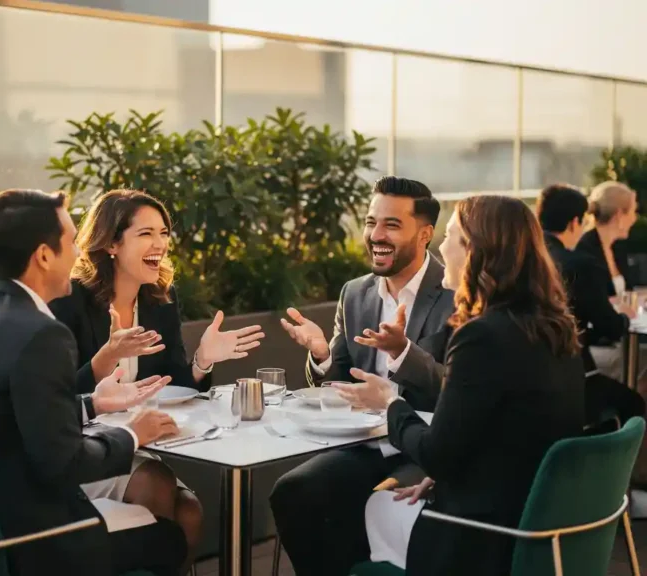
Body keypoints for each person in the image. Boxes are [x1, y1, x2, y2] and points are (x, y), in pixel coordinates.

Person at [0, 189, 186, 576]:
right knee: (171, 537)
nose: (81, 255)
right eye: (70, 243)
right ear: (44, 256)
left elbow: (9, 414)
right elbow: (63, 464)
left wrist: (92, 404)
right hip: (25, 538)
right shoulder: (41, 334)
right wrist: (133, 434)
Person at [338, 195, 585, 576]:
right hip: (541, 525)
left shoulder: (481, 337)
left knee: (373, 510)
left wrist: (389, 403)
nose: (440, 247)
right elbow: (518, 429)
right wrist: (442, 478)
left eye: (450, 236)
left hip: (481, 537)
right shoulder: (555, 328)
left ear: (475, 250)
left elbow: (435, 453)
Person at [49, 189, 265, 571]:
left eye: (164, 233)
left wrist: (203, 359)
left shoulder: (159, 300)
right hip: (85, 446)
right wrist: (104, 359)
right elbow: (57, 396)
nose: (161, 244)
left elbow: (176, 382)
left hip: (141, 439)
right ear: (112, 243)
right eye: (146, 233)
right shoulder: (70, 301)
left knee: (191, 513)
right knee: (157, 487)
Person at [271, 176, 454, 576]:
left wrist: (403, 353)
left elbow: (455, 390)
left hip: (420, 446)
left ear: (425, 234)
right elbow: (338, 380)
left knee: (361, 506)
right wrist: (321, 353)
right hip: (359, 443)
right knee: (294, 492)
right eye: (371, 222)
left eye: (391, 224)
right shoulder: (355, 292)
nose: (375, 235)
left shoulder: (455, 294)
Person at [536, 184, 644, 428]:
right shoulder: (579, 264)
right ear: (575, 222)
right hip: (575, 374)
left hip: (532, 372)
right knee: (634, 403)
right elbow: (611, 327)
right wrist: (626, 317)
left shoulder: (527, 257)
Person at [575, 181, 641, 381]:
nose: (635, 218)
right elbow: (593, 305)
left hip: (618, 333)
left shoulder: (616, 247)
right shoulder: (584, 250)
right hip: (596, 343)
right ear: (620, 215)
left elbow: (625, 293)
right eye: (633, 212)